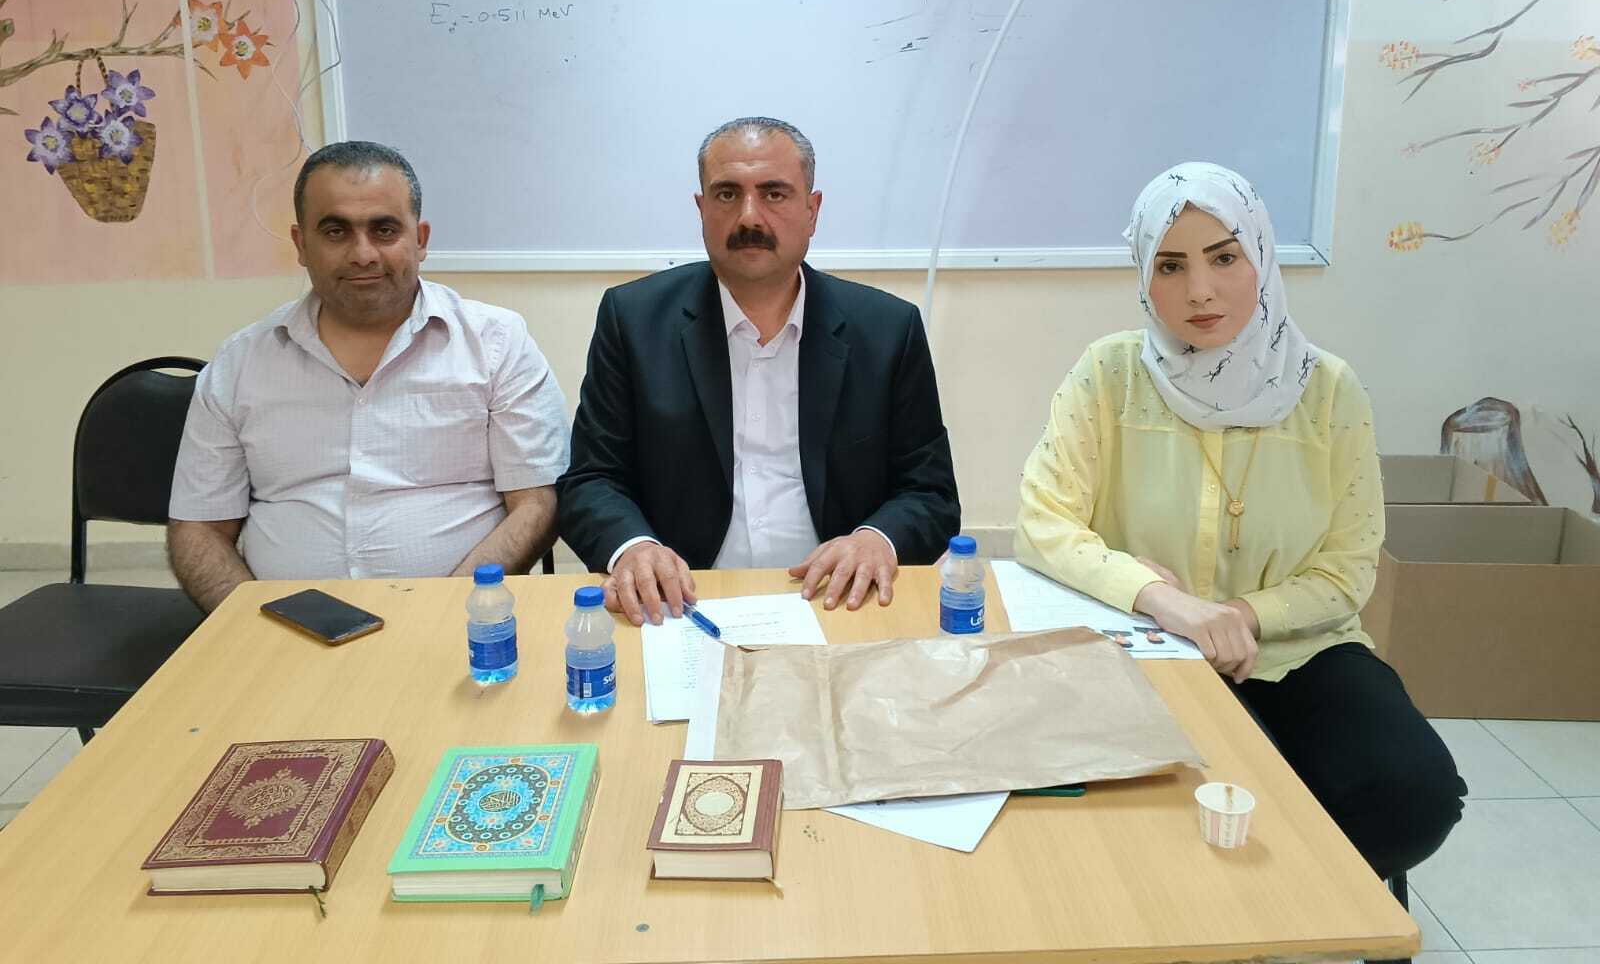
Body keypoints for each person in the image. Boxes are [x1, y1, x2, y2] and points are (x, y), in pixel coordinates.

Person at [1014, 162, 1464, 885]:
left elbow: (1348, 568)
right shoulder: (1110, 374)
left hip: (1301, 648)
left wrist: (1240, 616)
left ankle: (1297, 906)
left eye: (1224, 257)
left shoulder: (1329, 391)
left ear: (1261, 254)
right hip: (1150, 647)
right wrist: (1162, 600)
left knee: (1414, 796)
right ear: (1144, 275)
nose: (1200, 290)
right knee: (1190, 801)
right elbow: (1044, 523)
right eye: (1171, 265)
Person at [558, 116, 959, 625]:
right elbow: (591, 480)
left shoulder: (887, 329)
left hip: (835, 597)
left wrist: (876, 539)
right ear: (702, 210)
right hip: (684, 602)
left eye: (774, 193)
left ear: (812, 211)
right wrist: (633, 548)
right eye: (727, 194)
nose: (750, 216)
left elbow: (931, 493)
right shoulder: (633, 320)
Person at [168, 141, 569, 611]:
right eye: (335, 231)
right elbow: (199, 528)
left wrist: (452, 608)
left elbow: (536, 503)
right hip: (280, 628)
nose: (363, 254)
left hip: (458, 620)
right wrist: (248, 625)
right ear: (301, 244)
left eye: (384, 230)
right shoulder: (240, 363)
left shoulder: (496, 343)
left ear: (420, 239)